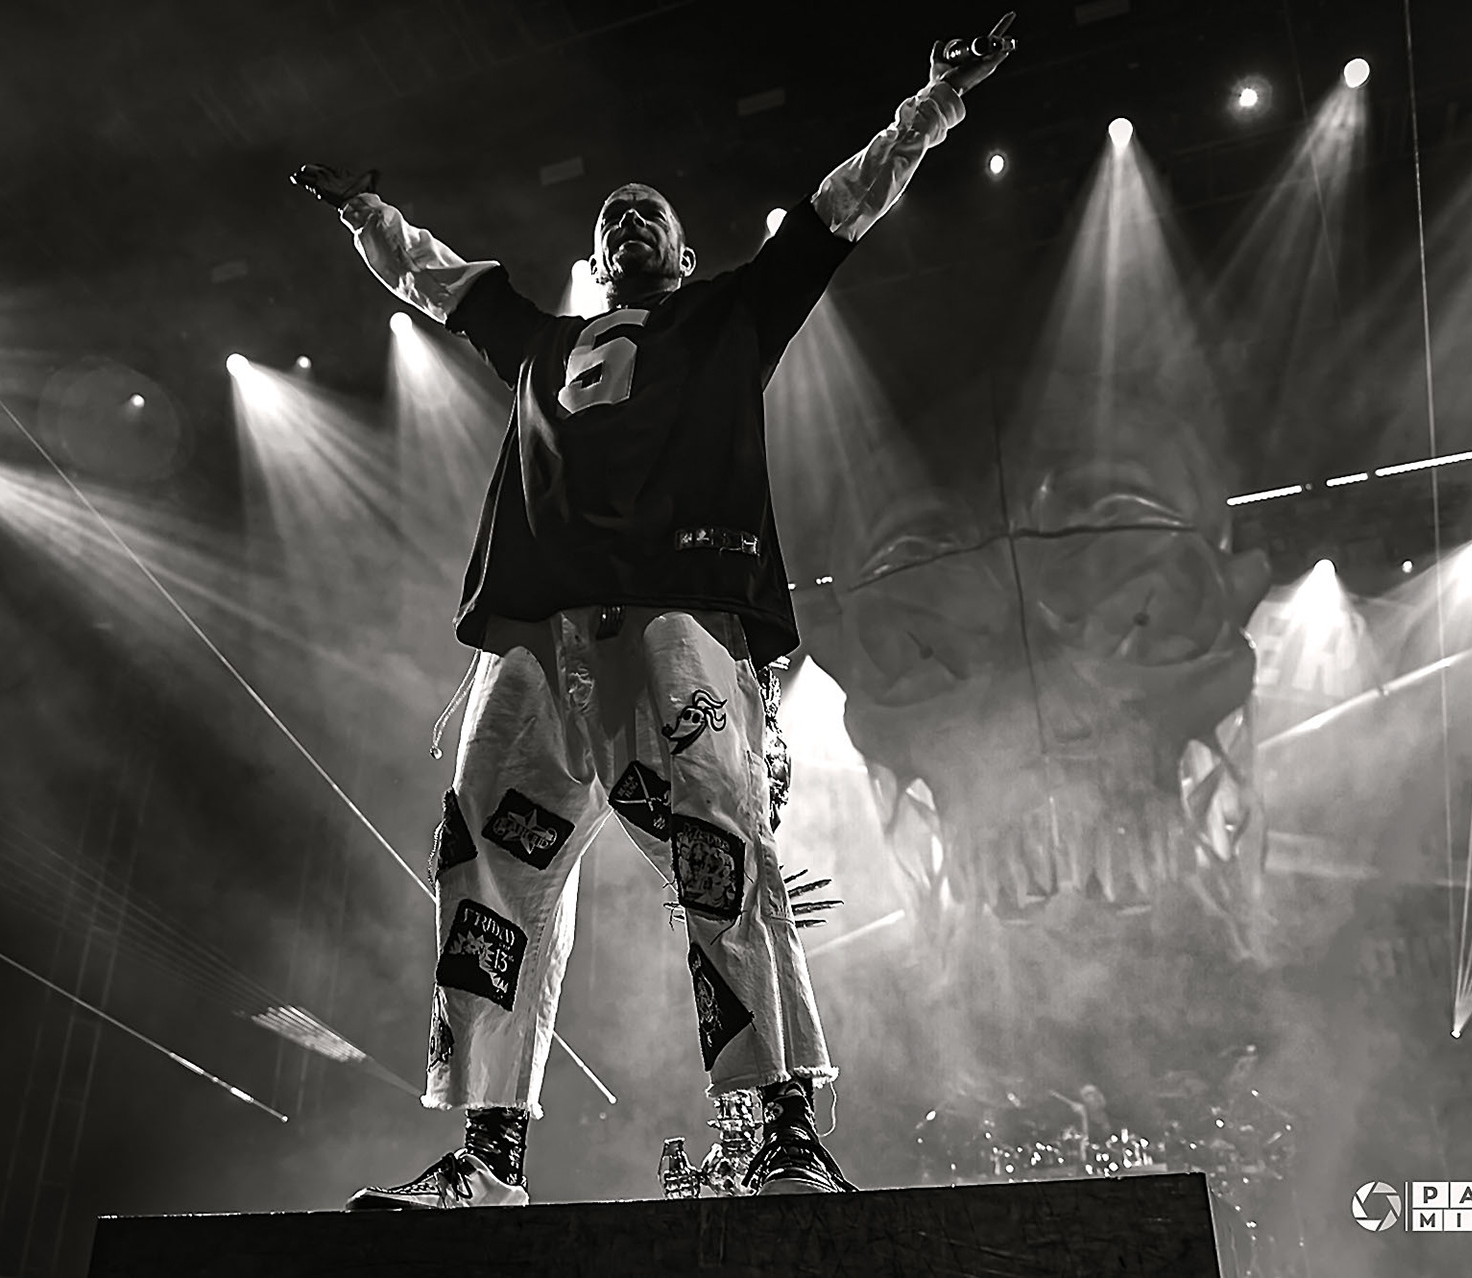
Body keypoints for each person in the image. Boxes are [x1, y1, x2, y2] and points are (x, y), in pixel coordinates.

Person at [326, 25, 1014, 1209]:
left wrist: (935, 101)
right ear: (596, 261)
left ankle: (782, 1130)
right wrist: (365, 217)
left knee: (719, 849)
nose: (627, 221)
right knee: (486, 866)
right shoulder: (542, 343)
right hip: (536, 635)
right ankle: (490, 1158)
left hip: (677, 615)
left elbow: (845, 205)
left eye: (649, 214)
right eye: (611, 219)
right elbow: (435, 277)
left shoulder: (732, 315)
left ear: (685, 254)